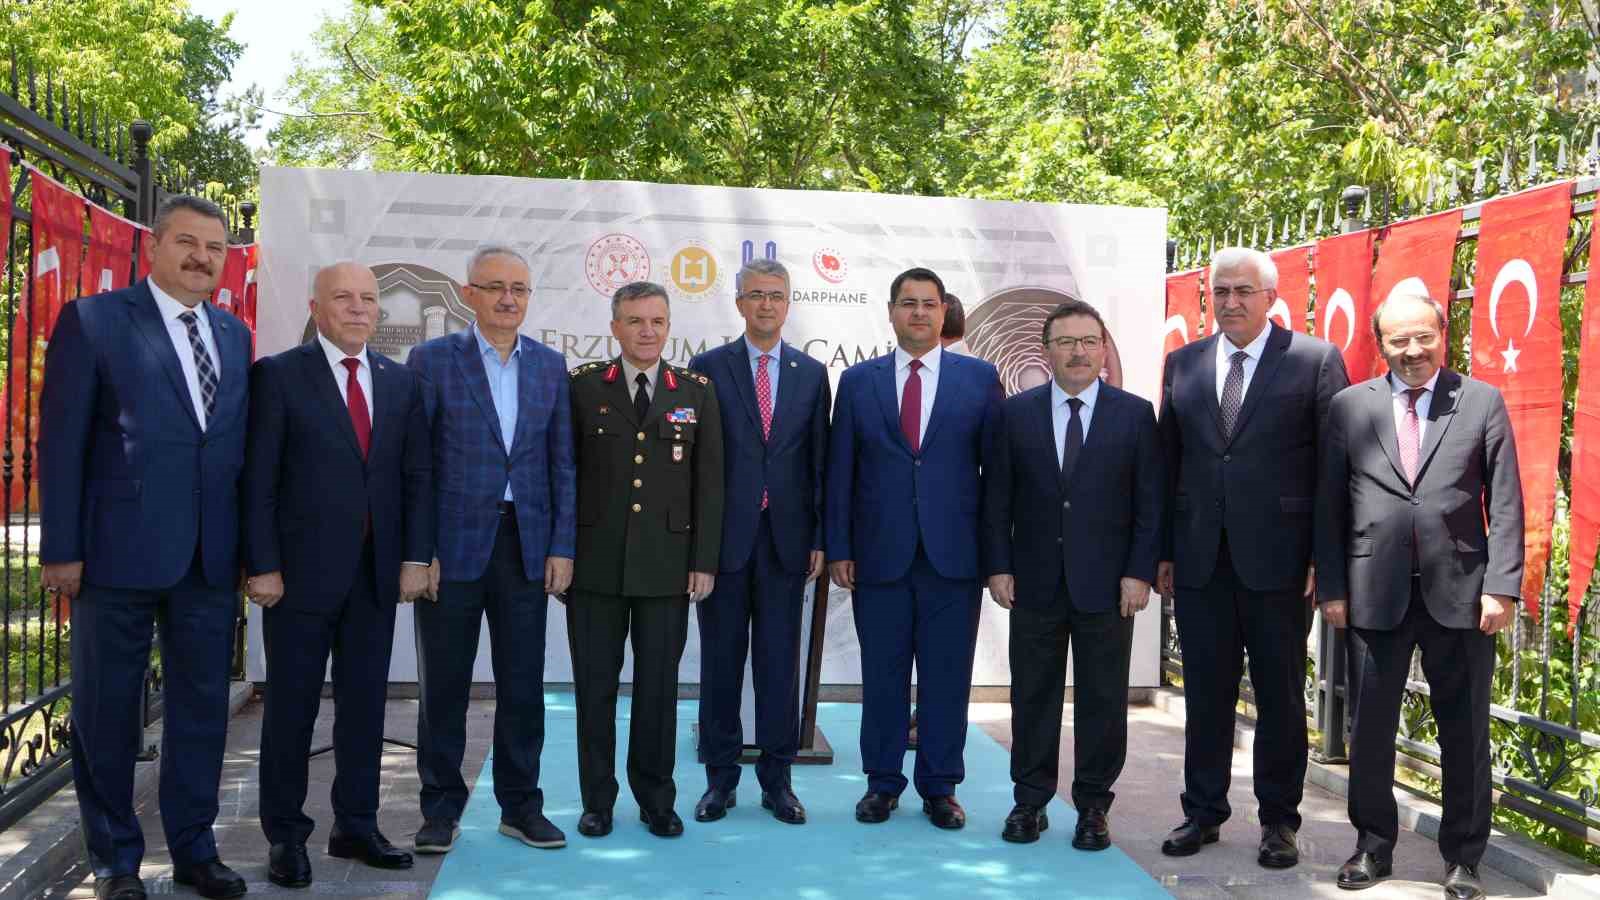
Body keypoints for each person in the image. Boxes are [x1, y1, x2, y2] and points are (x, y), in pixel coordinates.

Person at [40, 195, 252, 900]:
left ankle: (195, 849)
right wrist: (61, 548)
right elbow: (62, 443)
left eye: (215, 248)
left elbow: (230, 450)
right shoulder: (95, 321)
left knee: (200, 711)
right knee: (106, 712)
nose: (202, 258)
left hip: (208, 559)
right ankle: (115, 862)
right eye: (188, 243)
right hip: (114, 554)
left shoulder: (232, 334)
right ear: (154, 246)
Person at [1316, 291, 1521, 900]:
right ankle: (1372, 847)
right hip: (1371, 592)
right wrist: (1331, 587)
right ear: (1380, 344)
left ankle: (1464, 858)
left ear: (1442, 332)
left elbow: (1505, 503)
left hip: (1461, 595)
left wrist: (1501, 588)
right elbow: (1329, 506)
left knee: (1464, 730)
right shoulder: (1350, 406)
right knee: (1370, 728)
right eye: (1397, 340)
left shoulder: (1481, 400)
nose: (1411, 350)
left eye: (1422, 337)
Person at [1156, 246, 1349, 867]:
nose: (1232, 302)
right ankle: (1202, 813)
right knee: (1205, 694)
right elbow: (1169, 462)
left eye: (1244, 291)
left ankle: (1279, 822)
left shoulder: (1314, 361)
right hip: (1200, 560)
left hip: (1282, 563)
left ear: (1271, 296)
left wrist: (1326, 555)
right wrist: (1163, 550)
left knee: (1281, 697)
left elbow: (1334, 469)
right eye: (1222, 291)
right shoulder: (1183, 364)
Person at [243, 262, 433, 887]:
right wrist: (262, 565)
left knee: (365, 710)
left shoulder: (399, 383)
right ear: (316, 306)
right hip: (296, 580)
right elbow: (259, 481)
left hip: (374, 578)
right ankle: (287, 837)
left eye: (368, 298)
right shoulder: (278, 375)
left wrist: (414, 557)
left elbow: (415, 478)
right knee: (292, 711)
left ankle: (355, 824)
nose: (358, 308)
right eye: (343, 298)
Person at [405, 246, 576, 853]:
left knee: (524, 684)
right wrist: (419, 552)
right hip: (451, 549)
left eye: (520, 289)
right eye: (497, 287)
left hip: (526, 546)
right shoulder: (430, 362)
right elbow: (417, 466)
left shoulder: (552, 367)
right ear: (468, 293)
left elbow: (563, 464)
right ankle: (439, 809)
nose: (509, 299)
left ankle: (520, 806)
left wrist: (562, 545)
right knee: (444, 685)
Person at [825, 266, 1004, 830]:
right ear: (891, 311)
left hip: (954, 557)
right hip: (878, 555)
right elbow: (840, 473)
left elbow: (997, 478)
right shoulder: (858, 382)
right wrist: (838, 547)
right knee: (882, 675)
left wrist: (997, 558)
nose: (919, 313)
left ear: (943, 312)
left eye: (929, 304)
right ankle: (881, 784)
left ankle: (940, 787)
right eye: (909, 303)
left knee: (947, 677)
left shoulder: (980, 379)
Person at [983, 300, 1163, 850]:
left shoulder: (1134, 415)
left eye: (1088, 341)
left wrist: (1139, 573)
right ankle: (1029, 803)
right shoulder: (1014, 414)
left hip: (1108, 588)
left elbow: (1149, 503)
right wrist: (998, 565)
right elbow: (996, 499)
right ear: (1047, 351)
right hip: (1033, 581)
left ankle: (1092, 807)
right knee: (1032, 696)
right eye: (1066, 342)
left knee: (1103, 699)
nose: (1078, 352)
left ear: (1104, 349)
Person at [568, 281, 724, 839]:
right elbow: (567, 476)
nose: (647, 331)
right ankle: (597, 800)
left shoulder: (696, 392)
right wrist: (561, 553)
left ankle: (657, 799)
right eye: (634, 321)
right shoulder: (585, 389)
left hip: (666, 568)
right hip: (595, 568)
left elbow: (710, 486)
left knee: (658, 690)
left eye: (657, 321)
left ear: (668, 325)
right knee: (595, 687)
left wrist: (703, 560)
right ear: (614, 327)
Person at [687, 259, 830, 826]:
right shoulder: (707, 368)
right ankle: (719, 782)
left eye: (776, 295)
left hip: (787, 545)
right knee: (721, 666)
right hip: (723, 545)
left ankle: (778, 782)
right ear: (739, 303)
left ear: (788, 303)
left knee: (778, 668)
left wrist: (820, 534)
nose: (766, 304)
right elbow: (695, 465)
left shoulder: (812, 373)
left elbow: (820, 462)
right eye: (756, 295)